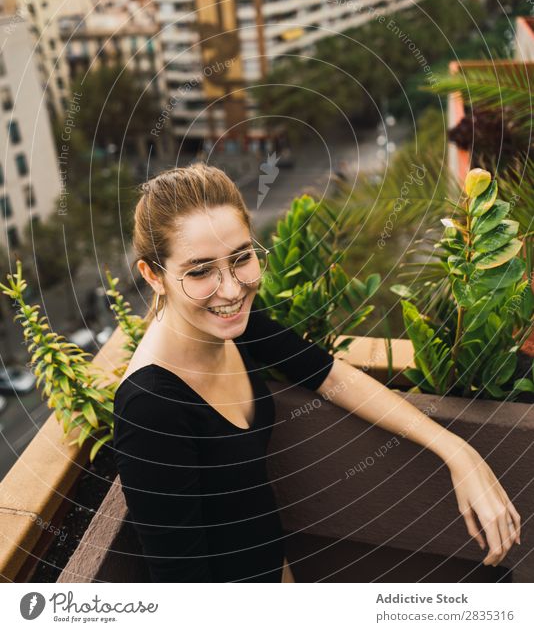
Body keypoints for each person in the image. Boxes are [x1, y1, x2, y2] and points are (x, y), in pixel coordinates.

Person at [112, 163, 521, 583]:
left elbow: (328, 375)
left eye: (241, 259)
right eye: (200, 271)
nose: (232, 289)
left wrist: (457, 452)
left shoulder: (232, 323)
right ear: (153, 275)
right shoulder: (150, 409)